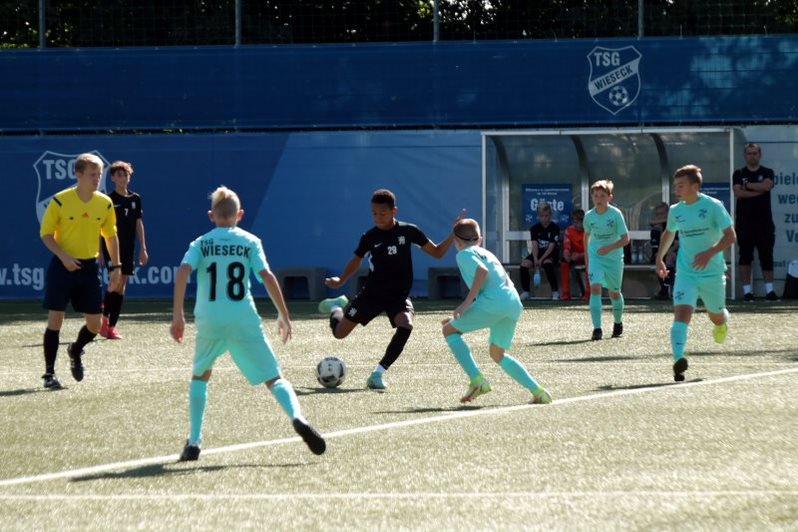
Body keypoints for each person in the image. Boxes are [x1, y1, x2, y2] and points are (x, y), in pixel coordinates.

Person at [170, 186, 325, 460]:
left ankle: (194, 442)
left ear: (211, 215)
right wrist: (283, 314)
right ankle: (297, 417)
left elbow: (183, 271)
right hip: (243, 317)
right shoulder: (250, 241)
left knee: (200, 376)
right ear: (240, 215)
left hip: (210, 318)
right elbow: (267, 276)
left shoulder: (201, 243)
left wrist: (177, 315)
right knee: (274, 378)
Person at [317, 188, 464, 390]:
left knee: (406, 324)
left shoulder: (409, 231)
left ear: (394, 210)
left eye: (382, 213)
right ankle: (336, 307)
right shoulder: (369, 237)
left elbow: (437, 253)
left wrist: (453, 234)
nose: (378, 217)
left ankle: (377, 373)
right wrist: (341, 279)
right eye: (374, 213)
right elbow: (356, 260)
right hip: (372, 294)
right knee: (339, 334)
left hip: (398, 296)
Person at [442, 218, 552, 405]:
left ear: (456, 241)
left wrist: (466, 304)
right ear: (480, 239)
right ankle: (539, 392)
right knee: (497, 354)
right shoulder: (487, 253)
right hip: (512, 302)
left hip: (494, 302)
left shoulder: (464, 254)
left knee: (449, 331)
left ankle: (477, 380)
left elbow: (481, 271)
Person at [39, 153, 122, 389]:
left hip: (88, 269)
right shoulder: (60, 200)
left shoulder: (104, 203)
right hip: (62, 267)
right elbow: (46, 234)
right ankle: (49, 374)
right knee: (56, 319)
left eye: (99, 174)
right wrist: (63, 256)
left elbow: (110, 236)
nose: (97, 179)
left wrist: (116, 267)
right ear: (78, 174)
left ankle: (75, 350)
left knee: (95, 325)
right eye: (92, 174)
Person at [655, 165, 736, 382]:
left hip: (712, 273)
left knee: (716, 317)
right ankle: (678, 360)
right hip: (686, 273)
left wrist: (709, 253)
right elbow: (669, 233)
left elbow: (730, 236)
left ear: (695, 186)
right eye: (675, 186)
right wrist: (660, 257)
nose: (676, 190)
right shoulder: (676, 210)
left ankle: (722, 321)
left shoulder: (713, 206)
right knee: (681, 315)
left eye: (681, 186)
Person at [99, 160, 148, 340]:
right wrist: (100, 250)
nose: (123, 178)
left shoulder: (135, 199)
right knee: (115, 281)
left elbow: (139, 224)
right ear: (112, 178)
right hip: (111, 247)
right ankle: (104, 320)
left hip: (129, 248)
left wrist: (143, 248)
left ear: (129, 177)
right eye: (119, 175)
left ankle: (111, 326)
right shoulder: (108, 199)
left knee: (121, 287)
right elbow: (100, 226)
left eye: (125, 174)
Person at [583, 179, 630, 340]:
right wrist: (587, 259)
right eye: (595, 195)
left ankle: (618, 322)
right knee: (595, 288)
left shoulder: (616, 214)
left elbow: (625, 239)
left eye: (602, 196)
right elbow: (586, 236)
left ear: (609, 197)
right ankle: (597, 329)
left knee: (614, 293)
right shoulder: (589, 216)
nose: (598, 199)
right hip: (596, 257)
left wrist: (609, 248)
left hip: (614, 258)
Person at [732, 143, 778, 301]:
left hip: (764, 222)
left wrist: (747, 186)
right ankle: (747, 292)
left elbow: (767, 186)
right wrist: (758, 191)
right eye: (749, 153)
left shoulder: (767, 172)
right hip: (744, 222)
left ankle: (770, 292)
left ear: (760, 155)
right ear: (745, 156)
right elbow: (739, 193)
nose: (752, 156)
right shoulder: (738, 173)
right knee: (745, 256)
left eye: (755, 153)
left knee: (766, 256)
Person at [519, 202, 561, 301]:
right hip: (537, 254)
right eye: (542, 216)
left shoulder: (555, 228)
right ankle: (526, 292)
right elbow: (535, 245)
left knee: (547, 264)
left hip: (550, 254)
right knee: (524, 265)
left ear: (550, 215)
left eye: (546, 216)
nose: (544, 218)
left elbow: (551, 247)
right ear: (538, 216)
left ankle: (555, 291)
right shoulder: (534, 228)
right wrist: (535, 258)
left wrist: (541, 260)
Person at [649, 202, 677, 300]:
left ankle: (665, 290)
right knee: (658, 260)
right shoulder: (657, 228)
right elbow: (651, 222)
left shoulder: (672, 225)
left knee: (669, 258)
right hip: (660, 253)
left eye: (662, 214)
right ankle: (663, 289)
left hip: (673, 251)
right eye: (657, 214)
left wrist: (666, 252)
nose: (659, 216)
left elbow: (676, 244)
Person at [559, 208, 589, 301]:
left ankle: (588, 292)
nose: (578, 225)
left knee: (591, 264)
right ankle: (565, 293)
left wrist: (580, 255)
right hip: (574, 257)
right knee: (564, 262)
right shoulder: (569, 231)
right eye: (575, 222)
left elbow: (592, 250)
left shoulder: (589, 231)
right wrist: (566, 253)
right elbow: (566, 246)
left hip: (586, 256)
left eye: (580, 222)